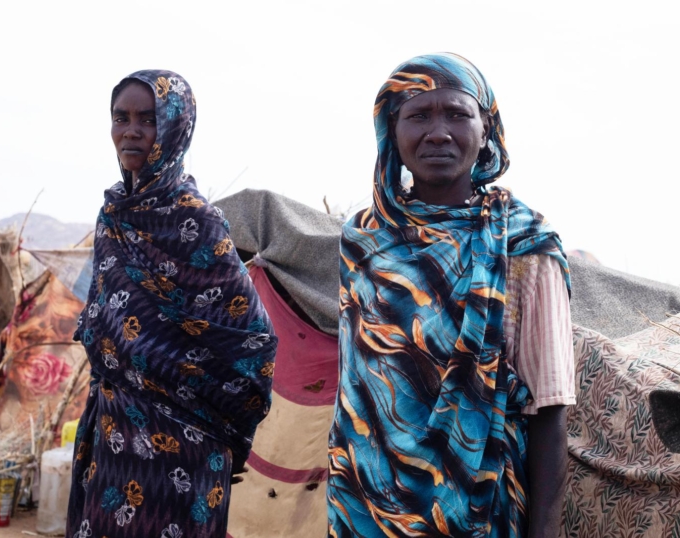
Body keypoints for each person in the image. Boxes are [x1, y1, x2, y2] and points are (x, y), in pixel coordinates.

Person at [326, 53, 574, 538]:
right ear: (391, 132)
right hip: (364, 507)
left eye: (457, 114)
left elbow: (550, 406)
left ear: (486, 129)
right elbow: (357, 391)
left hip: (477, 507)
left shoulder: (524, 244)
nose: (438, 132)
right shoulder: (364, 240)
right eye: (418, 115)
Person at [67, 70, 277, 538]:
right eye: (121, 118)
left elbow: (251, 339)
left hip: (186, 444)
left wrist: (227, 424)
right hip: (114, 433)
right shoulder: (113, 217)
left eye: (148, 119)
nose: (132, 131)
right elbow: (105, 315)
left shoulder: (194, 219)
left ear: (176, 128)